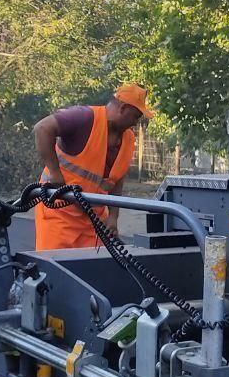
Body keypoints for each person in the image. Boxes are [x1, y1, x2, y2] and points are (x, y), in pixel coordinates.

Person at [33, 83, 152, 252]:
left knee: (91, 272)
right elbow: (42, 128)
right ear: (124, 108)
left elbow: (117, 178)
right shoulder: (84, 118)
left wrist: (113, 216)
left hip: (93, 221)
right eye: (135, 116)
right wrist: (54, 172)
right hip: (60, 216)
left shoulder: (128, 139)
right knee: (56, 271)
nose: (135, 122)